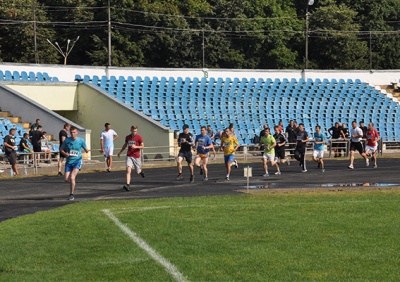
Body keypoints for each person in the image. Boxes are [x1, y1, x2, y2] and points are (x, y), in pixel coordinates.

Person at [60, 126, 90, 200]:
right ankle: (72, 182)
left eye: (74, 132)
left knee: (72, 177)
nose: (72, 134)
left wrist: (87, 150)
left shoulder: (81, 140)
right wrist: (65, 153)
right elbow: (61, 149)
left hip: (77, 161)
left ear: (77, 132)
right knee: (66, 179)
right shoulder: (67, 140)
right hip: (69, 162)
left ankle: (71, 194)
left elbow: (86, 149)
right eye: (71, 132)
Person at [117, 125, 145, 191]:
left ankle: (141, 171)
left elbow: (142, 146)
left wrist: (136, 147)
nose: (134, 132)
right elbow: (125, 145)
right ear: (131, 130)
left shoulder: (139, 137)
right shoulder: (128, 137)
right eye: (133, 131)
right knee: (128, 170)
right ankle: (128, 185)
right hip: (129, 156)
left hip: (136, 156)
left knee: (137, 171)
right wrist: (120, 152)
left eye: (135, 131)